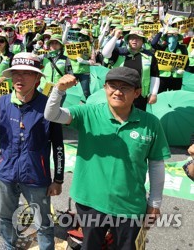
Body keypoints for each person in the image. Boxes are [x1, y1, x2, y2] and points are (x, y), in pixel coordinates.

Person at [44, 67, 171, 249]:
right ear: (104, 88)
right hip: (90, 202)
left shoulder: (151, 123)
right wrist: (59, 90)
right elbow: (51, 114)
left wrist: (155, 203)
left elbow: (157, 164)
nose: (117, 91)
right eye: (113, 86)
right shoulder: (88, 113)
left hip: (130, 206)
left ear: (137, 93)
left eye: (125, 87)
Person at [0, 52, 65, 250]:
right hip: (6, 174)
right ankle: (9, 246)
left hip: (37, 177)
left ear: (37, 78)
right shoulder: (2, 102)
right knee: (6, 217)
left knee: (42, 222)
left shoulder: (48, 106)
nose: (19, 78)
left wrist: (58, 179)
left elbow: (58, 145)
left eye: (26, 73)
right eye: (16, 73)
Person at [102, 27, 160, 110]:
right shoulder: (119, 52)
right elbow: (105, 53)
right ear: (128, 40)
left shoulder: (149, 56)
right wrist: (115, 37)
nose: (134, 40)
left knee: (138, 118)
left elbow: (155, 75)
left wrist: (153, 93)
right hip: (119, 93)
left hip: (139, 95)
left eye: (138, 38)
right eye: (132, 38)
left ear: (143, 41)